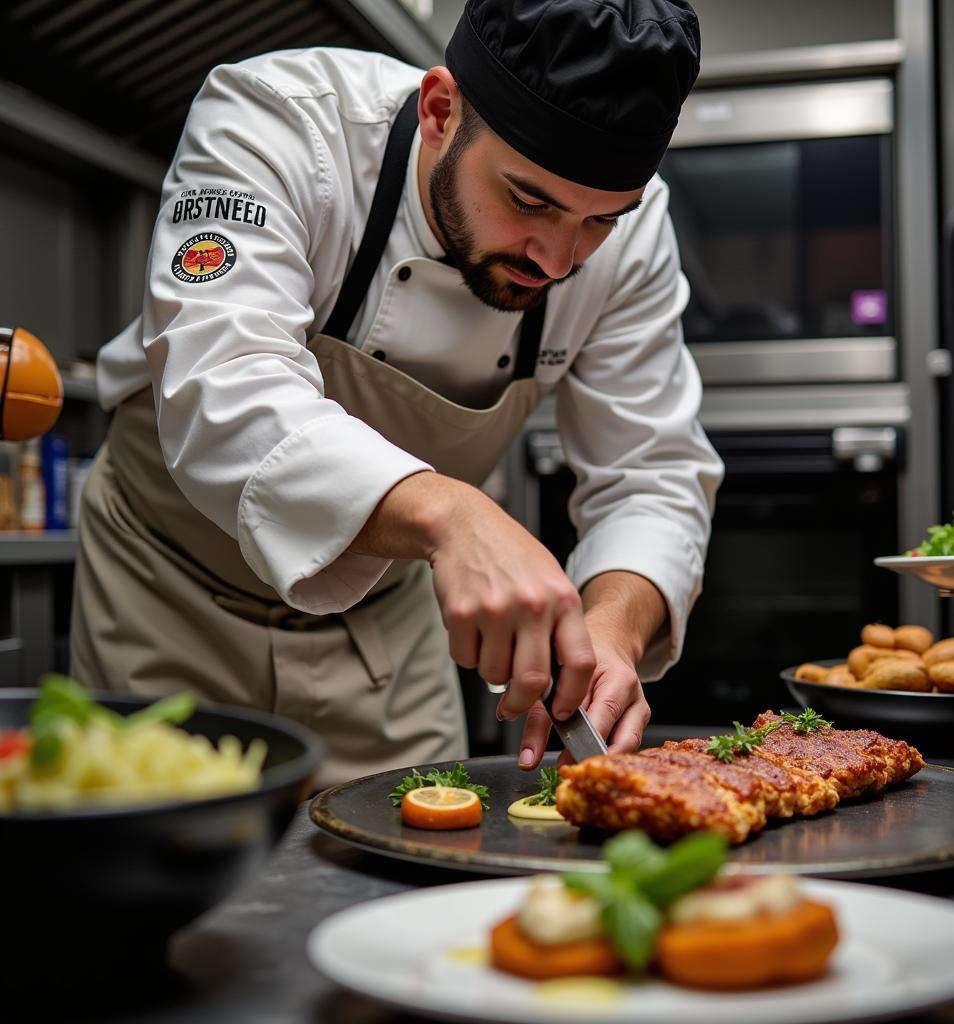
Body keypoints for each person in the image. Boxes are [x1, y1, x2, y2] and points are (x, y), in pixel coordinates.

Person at [70, 0, 723, 785]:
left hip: (383, 633)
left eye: (599, 222)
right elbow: (225, 382)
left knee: (421, 873)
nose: (558, 259)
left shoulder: (638, 236)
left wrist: (611, 629)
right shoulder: (280, 123)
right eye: (528, 200)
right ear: (441, 109)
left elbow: (652, 474)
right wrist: (453, 515)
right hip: (165, 602)